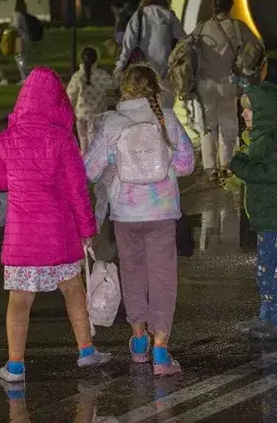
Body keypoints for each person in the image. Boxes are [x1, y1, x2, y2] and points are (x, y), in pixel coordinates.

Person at [0, 67, 111, 383]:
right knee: (73, 290)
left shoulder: (5, 139)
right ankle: (86, 350)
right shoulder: (62, 140)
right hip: (59, 235)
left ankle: (15, 366)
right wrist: (88, 231)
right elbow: (77, 191)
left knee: (20, 300)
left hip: (22, 239)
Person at [84, 63, 195, 376]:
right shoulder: (167, 120)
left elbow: (89, 169)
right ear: (155, 90)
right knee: (162, 279)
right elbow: (187, 164)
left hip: (125, 214)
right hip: (161, 214)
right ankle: (161, 349)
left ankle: (137, 341)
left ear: (124, 91)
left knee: (133, 274)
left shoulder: (113, 124)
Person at [229, 82, 277, 339]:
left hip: (275, 217)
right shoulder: (261, 138)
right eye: (243, 110)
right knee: (264, 269)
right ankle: (265, 316)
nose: (243, 115)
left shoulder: (269, 140)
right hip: (268, 216)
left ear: (264, 112)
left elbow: (269, 173)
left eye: (249, 110)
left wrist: (241, 165)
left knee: (270, 270)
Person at [195, 0, 262, 182]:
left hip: (205, 85)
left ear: (213, 6)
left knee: (208, 127)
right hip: (229, 84)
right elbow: (256, 46)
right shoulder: (237, 27)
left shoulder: (201, 28)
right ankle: (227, 164)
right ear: (230, 6)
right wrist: (244, 64)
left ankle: (211, 168)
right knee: (228, 125)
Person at [115, 0, 185, 106]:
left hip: (144, 73)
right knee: (165, 110)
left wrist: (120, 66)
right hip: (165, 73)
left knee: (146, 108)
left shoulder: (139, 15)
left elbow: (128, 44)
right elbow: (183, 41)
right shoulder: (169, 16)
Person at [67, 47, 117, 153]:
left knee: (83, 143)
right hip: (97, 115)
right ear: (96, 59)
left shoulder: (77, 76)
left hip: (81, 115)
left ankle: (84, 166)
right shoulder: (101, 75)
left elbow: (70, 96)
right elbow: (114, 84)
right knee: (95, 143)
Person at [12, 0, 32, 83]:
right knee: (23, 58)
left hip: (19, 39)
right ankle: (26, 76)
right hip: (25, 38)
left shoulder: (17, 15)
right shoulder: (23, 15)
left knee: (19, 59)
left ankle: (24, 77)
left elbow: (16, 26)